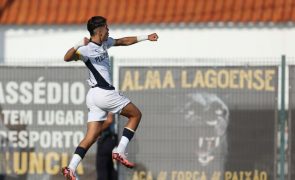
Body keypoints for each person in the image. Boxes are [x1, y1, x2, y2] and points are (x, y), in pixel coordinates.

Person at [61, 16, 158, 180]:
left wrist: (145, 37)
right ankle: (120, 150)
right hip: (104, 93)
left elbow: (123, 41)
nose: (109, 30)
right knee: (136, 115)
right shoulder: (86, 49)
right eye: (107, 28)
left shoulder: (105, 43)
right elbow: (67, 57)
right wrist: (77, 44)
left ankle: (71, 168)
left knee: (91, 136)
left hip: (93, 96)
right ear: (99, 30)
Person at [96, 113, 117, 180]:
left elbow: (109, 120)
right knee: (110, 169)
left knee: (102, 170)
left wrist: (97, 130)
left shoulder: (107, 102)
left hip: (106, 140)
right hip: (112, 140)